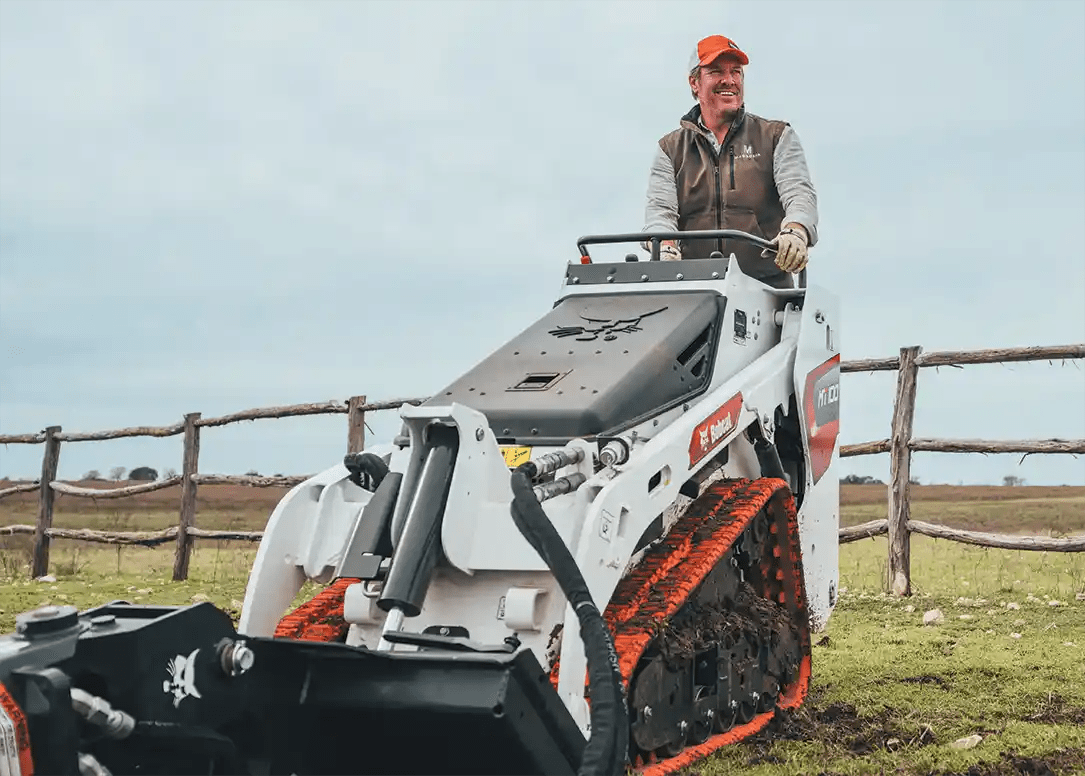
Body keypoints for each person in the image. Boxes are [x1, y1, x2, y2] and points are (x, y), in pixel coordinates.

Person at [644, 34, 819, 288]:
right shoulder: (670, 149)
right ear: (694, 83)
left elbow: (800, 195)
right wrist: (666, 247)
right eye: (717, 72)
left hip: (767, 291)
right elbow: (660, 212)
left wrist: (796, 230)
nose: (729, 80)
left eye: (736, 72)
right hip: (693, 291)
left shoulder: (776, 137)